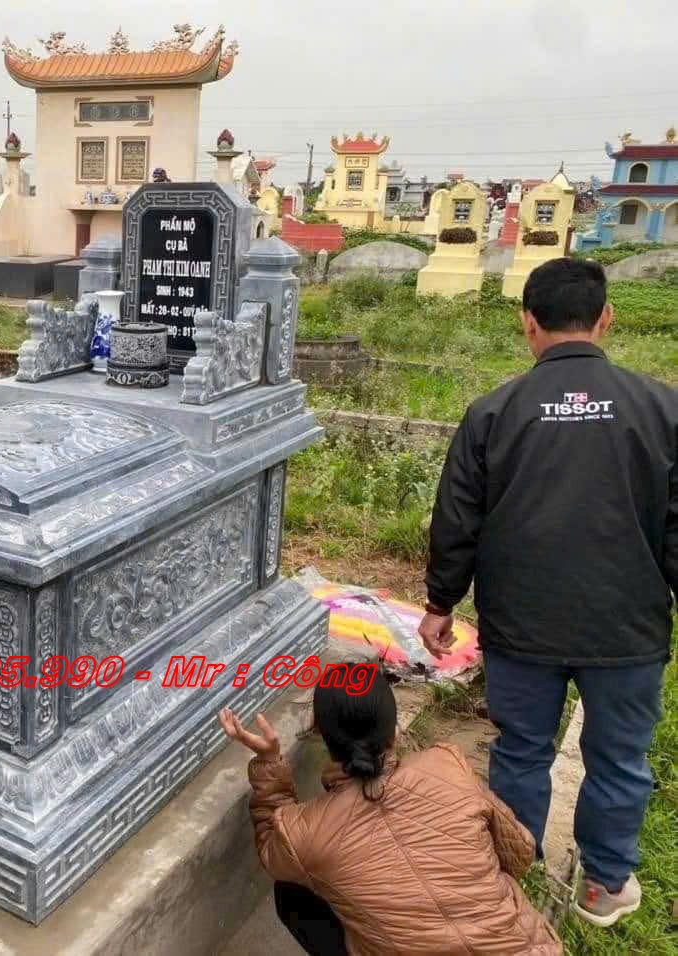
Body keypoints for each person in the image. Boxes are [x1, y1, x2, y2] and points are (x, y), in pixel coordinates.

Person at [419, 257, 677, 926]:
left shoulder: (494, 412)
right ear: (607, 318)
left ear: (527, 323)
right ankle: (605, 884)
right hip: (626, 628)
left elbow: (457, 520)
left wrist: (441, 604)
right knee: (620, 758)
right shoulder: (663, 410)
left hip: (521, 625)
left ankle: (511, 871)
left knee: (521, 750)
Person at [220, 670, 561, 955]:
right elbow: (520, 852)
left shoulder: (305, 834)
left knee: (292, 892)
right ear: (394, 728)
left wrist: (269, 763)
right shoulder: (447, 766)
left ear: (321, 733)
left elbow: (272, 847)